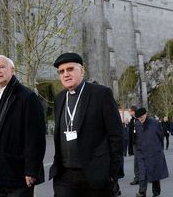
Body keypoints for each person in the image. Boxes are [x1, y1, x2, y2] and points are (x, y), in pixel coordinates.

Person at [49, 53, 124, 197]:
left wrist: (112, 174)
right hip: (64, 176)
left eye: (70, 69)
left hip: (94, 176)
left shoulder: (101, 94)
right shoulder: (59, 99)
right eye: (61, 71)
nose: (66, 74)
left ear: (82, 71)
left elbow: (116, 135)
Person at [0, 55, 46, 197]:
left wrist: (31, 170)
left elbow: (35, 138)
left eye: (2, 67)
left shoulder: (27, 97)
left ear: (12, 70)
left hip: (18, 174)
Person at [134, 108, 168, 197]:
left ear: (146, 114)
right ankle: (142, 192)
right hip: (141, 152)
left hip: (154, 151)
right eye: (138, 118)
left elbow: (161, 136)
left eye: (141, 117)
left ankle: (156, 192)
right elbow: (136, 137)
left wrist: (159, 148)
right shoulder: (137, 124)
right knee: (142, 173)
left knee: (154, 172)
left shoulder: (155, 123)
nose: (140, 119)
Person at [128, 106, 139, 185]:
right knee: (136, 161)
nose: (129, 113)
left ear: (134, 111)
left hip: (141, 143)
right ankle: (137, 177)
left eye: (130, 111)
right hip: (135, 144)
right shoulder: (132, 121)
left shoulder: (139, 119)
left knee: (143, 160)